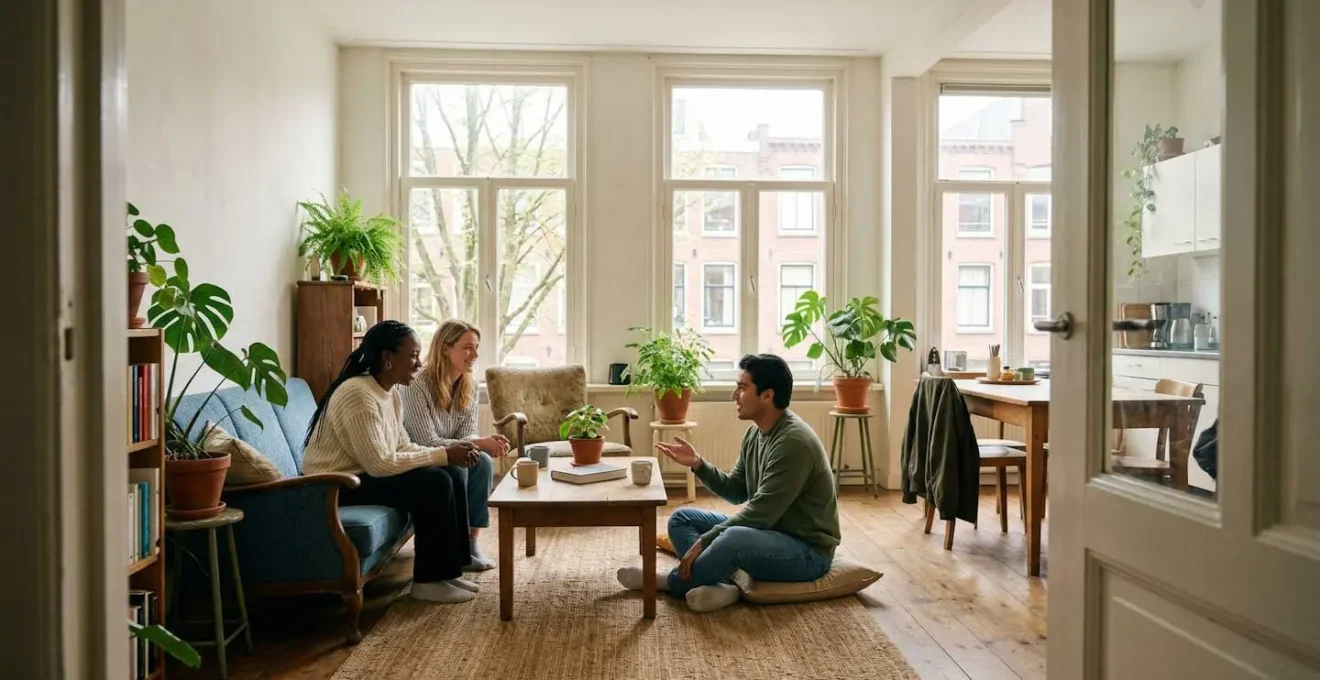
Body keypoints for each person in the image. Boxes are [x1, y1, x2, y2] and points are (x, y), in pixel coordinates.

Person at [616, 353, 840, 612]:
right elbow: (736, 490)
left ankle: (669, 581)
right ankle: (723, 585)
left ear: (767, 395)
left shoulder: (793, 443)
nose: (734, 394)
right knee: (682, 518)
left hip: (807, 551)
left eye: (742, 387)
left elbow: (761, 515)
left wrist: (704, 542)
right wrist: (698, 464)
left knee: (732, 538)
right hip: (770, 532)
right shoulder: (756, 432)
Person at [302, 320, 483, 604]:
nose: (418, 363)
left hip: (361, 475)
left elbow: (401, 446)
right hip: (334, 486)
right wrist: (443, 453)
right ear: (388, 359)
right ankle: (427, 582)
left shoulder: (389, 393)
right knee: (434, 482)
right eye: (412, 356)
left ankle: (447, 571)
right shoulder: (358, 394)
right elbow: (380, 465)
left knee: (444, 471)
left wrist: (445, 455)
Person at [402, 319, 510, 571]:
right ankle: (457, 546)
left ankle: (472, 544)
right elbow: (424, 441)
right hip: (421, 458)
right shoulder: (417, 384)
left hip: (447, 452)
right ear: (445, 349)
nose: (475, 354)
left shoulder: (468, 385)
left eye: (476, 347)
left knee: (482, 460)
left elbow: (467, 433)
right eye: (468, 348)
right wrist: (479, 442)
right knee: (466, 461)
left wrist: (481, 444)